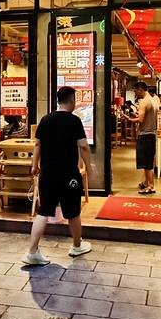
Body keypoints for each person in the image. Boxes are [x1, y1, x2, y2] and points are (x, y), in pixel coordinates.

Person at [23, 86, 95, 265]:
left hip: (47, 173)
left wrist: (34, 166)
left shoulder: (45, 119)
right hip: (68, 174)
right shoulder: (74, 121)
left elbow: (37, 145)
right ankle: (76, 246)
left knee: (43, 211)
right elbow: (83, 146)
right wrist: (89, 167)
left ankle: (32, 252)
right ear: (71, 101)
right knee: (73, 212)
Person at [127, 81, 158, 194]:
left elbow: (140, 120)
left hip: (145, 135)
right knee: (148, 161)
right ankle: (145, 182)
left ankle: (151, 186)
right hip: (151, 134)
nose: (135, 94)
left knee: (147, 163)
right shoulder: (153, 100)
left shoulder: (144, 102)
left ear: (140, 90)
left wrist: (130, 119)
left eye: (135, 91)